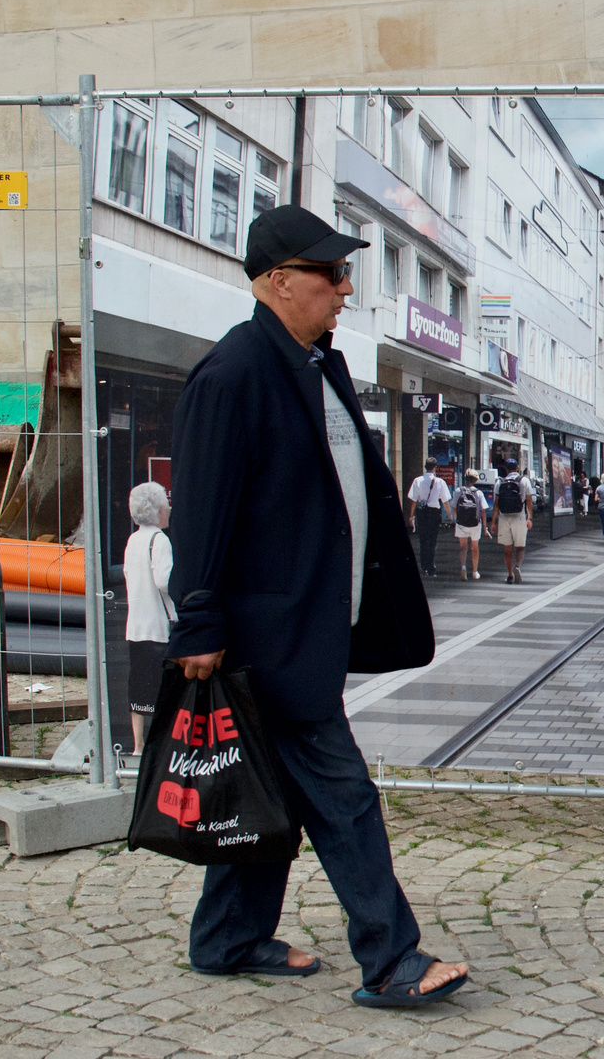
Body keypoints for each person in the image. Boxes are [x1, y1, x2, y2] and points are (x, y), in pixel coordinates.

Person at [165, 205, 464, 1006]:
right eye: (331, 273)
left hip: (309, 624)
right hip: (267, 635)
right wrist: (197, 620)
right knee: (343, 797)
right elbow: (200, 509)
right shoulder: (233, 375)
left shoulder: (313, 365)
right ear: (279, 281)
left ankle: (227, 939)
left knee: (278, 790)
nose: (345, 286)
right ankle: (393, 962)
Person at [123, 480, 175, 756]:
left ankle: (138, 744)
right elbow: (164, 581)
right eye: (165, 503)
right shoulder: (160, 540)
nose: (168, 507)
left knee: (139, 684)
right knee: (162, 685)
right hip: (159, 624)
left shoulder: (133, 540)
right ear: (156, 510)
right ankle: (163, 743)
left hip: (136, 624)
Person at [405, 458, 450, 577]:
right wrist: (449, 514)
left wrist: (411, 515)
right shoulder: (440, 482)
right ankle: (431, 566)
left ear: (425, 467)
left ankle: (424, 566)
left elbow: (413, 500)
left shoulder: (417, 480)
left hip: (422, 512)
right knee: (432, 540)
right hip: (434, 512)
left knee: (423, 539)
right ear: (435, 467)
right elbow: (445, 501)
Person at [493, 457, 532, 583]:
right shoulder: (524, 480)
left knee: (507, 549)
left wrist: (493, 521)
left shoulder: (500, 482)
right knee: (520, 547)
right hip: (519, 517)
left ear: (506, 469)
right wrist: (529, 518)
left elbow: (496, 503)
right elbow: (529, 502)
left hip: (504, 518)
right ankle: (517, 566)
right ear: (517, 468)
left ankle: (510, 575)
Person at [451, 470, 487, 581]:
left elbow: (454, 507)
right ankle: (475, 572)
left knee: (463, 547)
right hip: (475, 524)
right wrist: (485, 527)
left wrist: (457, 520)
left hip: (461, 523)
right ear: (475, 479)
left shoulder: (458, 491)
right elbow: (483, 511)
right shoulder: (478, 493)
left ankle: (463, 567)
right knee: (474, 548)